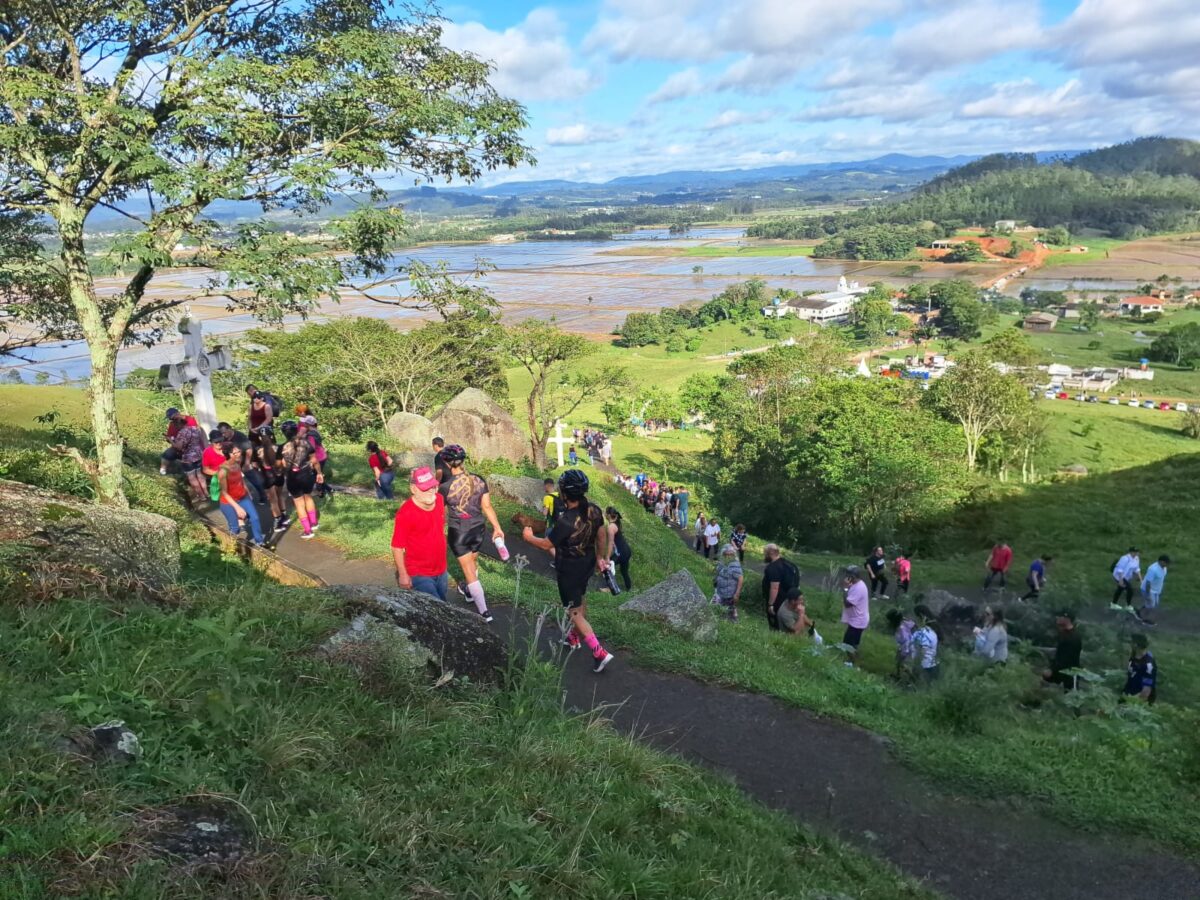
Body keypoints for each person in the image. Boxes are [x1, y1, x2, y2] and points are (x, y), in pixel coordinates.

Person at [522, 469, 615, 673]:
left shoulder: (566, 520)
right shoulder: (595, 510)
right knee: (580, 599)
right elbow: (600, 536)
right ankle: (574, 637)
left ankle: (599, 652)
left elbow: (547, 544)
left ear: (564, 492)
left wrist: (528, 536)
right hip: (587, 564)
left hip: (569, 569)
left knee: (573, 612)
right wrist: (600, 558)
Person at [439, 444, 504, 624]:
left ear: (446, 462)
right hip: (479, 529)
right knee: (472, 561)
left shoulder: (444, 487)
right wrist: (497, 528)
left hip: (458, 531)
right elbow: (487, 507)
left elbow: (440, 514)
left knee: (468, 570)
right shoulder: (479, 480)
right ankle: (469, 591)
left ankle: (484, 612)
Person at [391, 467, 449, 600]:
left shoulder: (439, 500)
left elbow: (440, 524)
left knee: (443, 601)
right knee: (436, 608)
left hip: (441, 569)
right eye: (425, 488)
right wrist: (403, 574)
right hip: (419, 573)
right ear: (413, 489)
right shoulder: (406, 513)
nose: (430, 491)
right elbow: (397, 547)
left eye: (433, 486)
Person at [280, 419, 323, 540]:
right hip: (306, 475)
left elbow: (282, 464)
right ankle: (314, 523)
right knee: (308, 497)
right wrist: (319, 473)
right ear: (296, 430)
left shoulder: (282, 448)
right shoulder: (306, 443)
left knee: (299, 503)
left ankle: (308, 531)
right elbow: (314, 460)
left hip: (292, 478)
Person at [216, 444, 265, 547]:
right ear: (228, 454)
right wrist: (237, 508)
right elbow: (224, 492)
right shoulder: (223, 471)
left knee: (255, 518)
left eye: (239, 451)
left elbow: (241, 480)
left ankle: (259, 542)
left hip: (243, 497)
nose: (239, 454)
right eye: (235, 453)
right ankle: (231, 548)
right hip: (228, 502)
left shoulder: (237, 464)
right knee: (235, 528)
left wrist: (247, 492)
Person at [250, 425, 288, 532]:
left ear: (260, 438)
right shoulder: (278, 447)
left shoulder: (256, 450)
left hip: (266, 477)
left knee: (273, 501)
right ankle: (284, 516)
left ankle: (278, 521)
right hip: (278, 475)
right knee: (280, 496)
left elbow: (255, 465)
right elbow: (283, 464)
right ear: (272, 436)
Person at [169, 411, 208, 502]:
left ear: (178, 425)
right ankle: (206, 492)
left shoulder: (182, 433)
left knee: (192, 477)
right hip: (198, 454)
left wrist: (170, 441)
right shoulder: (195, 428)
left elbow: (179, 446)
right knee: (200, 475)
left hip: (188, 458)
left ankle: (201, 495)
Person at [762, 544, 800, 630]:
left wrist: (770, 604)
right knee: (790, 625)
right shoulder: (791, 565)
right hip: (792, 600)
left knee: (776, 627)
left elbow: (774, 587)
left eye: (765, 553)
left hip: (778, 602)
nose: (764, 555)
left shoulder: (773, 567)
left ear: (770, 552)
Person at [1042, 610, 1082, 690]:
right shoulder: (1063, 634)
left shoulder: (1073, 637)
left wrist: (1052, 670)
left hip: (1070, 673)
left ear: (1067, 619)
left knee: (1071, 696)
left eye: (1061, 617)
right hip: (1060, 670)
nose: (1058, 618)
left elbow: (1067, 658)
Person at [840, 566, 870, 664]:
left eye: (847, 575)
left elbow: (847, 604)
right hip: (858, 619)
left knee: (847, 644)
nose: (845, 577)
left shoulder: (859, 588)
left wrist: (844, 588)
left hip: (857, 621)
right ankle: (853, 660)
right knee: (854, 643)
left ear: (852, 576)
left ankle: (852, 663)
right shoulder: (856, 584)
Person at [300, 415, 332, 498]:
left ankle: (321, 492)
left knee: (316, 475)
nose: (303, 424)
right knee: (317, 474)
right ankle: (328, 489)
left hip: (317, 457)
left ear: (307, 424)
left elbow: (312, 449)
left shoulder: (310, 435)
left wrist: (310, 461)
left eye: (304, 423)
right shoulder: (316, 431)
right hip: (322, 455)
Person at [160, 407, 197, 475]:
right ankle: (162, 471)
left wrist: (171, 440)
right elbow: (170, 436)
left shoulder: (190, 420)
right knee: (166, 454)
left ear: (178, 414)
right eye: (170, 419)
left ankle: (189, 475)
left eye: (172, 418)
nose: (172, 420)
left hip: (189, 449)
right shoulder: (172, 424)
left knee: (189, 464)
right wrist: (169, 439)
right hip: (177, 446)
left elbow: (192, 435)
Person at [1122, 634, 1157, 703]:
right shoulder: (1134, 657)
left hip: (1138, 700)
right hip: (1129, 694)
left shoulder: (1148, 665)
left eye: (1131, 642)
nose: (1130, 644)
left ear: (1136, 645)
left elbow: (1146, 691)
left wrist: (1132, 702)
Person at [605, 506, 634, 591]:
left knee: (608, 566)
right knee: (624, 571)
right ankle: (629, 588)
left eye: (605, 512)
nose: (604, 514)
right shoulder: (616, 523)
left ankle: (609, 588)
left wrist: (607, 557)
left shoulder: (611, 527)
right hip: (626, 551)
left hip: (621, 552)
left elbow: (610, 544)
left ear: (609, 515)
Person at [712, 544, 743, 621]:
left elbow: (740, 578)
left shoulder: (735, 565)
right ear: (723, 554)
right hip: (720, 592)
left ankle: (733, 623)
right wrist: (715, 580)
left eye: (731, 554)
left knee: (730, 612)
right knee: (718, 609)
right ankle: (722, 622)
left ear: (733, 555)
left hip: (729, 594)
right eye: (726, 554)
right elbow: (718, 573)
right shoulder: (722, 562)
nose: (728, 556)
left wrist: (737, 593)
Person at [911, 604, 941, 682]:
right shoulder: (933, 630)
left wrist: (916, 668)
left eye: (915, 616)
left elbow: (922, 652)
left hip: (924, 668)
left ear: (920, 616)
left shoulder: (923, 633)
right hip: (933, 665)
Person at [1138, 555, 1169, 625]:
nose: (1167, 564)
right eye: (1166, 563)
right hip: (1149, 590)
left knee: (1154, 604)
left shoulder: (1164, 568)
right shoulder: (1153, 569)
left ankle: (1139, 612)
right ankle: (1145, 620)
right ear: (1161, 562)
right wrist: (1147, 594)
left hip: (1156, 590)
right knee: (1151, 605)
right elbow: (1148, 583)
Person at [885, 608, 915, 678]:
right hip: (906, 647)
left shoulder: (901, 629)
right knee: (898, 662)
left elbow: (906, 641)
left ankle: (912, 678)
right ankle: (898, 675)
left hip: (907, 649)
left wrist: (903, 653)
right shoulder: (905, 622)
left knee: (903, 664)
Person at [1111, 547, 1142, 612]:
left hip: (1126, 577)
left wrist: (1140, 578)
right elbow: (1120, 570)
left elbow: (1137, 569)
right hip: (1119, 576)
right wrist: (1120, 580)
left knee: (1120, 589)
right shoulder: (1124, 558)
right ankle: (1128, 605)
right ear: (1130, 552)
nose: (1136, 553)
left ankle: (1113, 604)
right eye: (1134, 552)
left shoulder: (1136, 558)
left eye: (1137, 552)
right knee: (1130, 589)